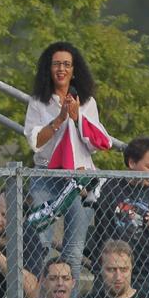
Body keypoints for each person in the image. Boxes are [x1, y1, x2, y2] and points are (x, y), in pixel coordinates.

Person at [25, 42, 107, 274]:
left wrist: (77, 117)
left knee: (73, 250)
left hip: (79, 179)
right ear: (48, 69)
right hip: (46, 176)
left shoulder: (88, 102)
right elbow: (36, 142)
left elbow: (94, 144)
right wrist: (60, 119)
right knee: (40, 243)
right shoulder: (38, 101)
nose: (61, 69)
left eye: (67, 64)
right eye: (56, 64)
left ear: (74, 69)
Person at [90, 136, 149, 298]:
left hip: (145, 271)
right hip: (109, 269)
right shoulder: (109, 187)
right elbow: (87, 197)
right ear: (132, 163)